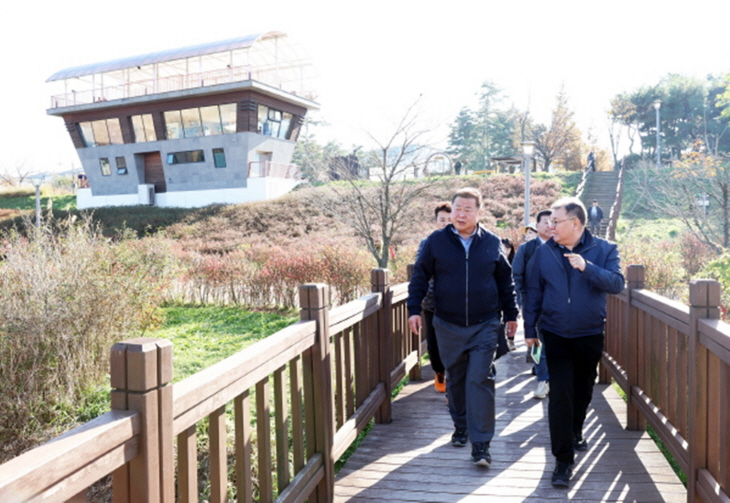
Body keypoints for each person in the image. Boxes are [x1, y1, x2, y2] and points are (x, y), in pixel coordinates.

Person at [407, 187, 518, 468]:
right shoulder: (436, 241)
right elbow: (420, 275)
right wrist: (413, 310)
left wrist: (512, 314)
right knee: (455, 379)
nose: (461, 213)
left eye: (468, 209)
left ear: (479, 212)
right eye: (457, 208)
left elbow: (505, 281)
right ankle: (461, 426)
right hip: (447, 323)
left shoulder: (491, 242)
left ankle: (481, 445)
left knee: (480, 379)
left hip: (484, 323)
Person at [523, 197, 624, 488]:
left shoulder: (604, 249)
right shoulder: (544, 253)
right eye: (550, 221)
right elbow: (533, 291)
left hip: (589, 333)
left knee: (582, 391)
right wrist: (530, 329)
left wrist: (587, 267)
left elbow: (617, 284)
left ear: (576, 223)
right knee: (560, 395)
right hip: (554, 333)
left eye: (556, 221)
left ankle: (576, 431)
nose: (550, 226)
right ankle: (563, 462)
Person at [512, 210, 553, 399]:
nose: (549, 225)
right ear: (537, 226)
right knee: (536, 341)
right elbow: (517, 275)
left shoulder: (563, 247)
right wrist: (521, 300)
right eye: (545, 222)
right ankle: (543, 379)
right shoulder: (527, 249)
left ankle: (552, 377)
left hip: (556, 304)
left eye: (553, 222)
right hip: (532, 302)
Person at [416, 202, 452, 393]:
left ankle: (454, 373)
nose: (446, 223)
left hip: (455, 302)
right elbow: (419, 270)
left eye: (449, 219)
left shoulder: (462, 241)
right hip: (431, 301)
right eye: (442, 219)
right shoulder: (428, 242)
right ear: (436, 221)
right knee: (433, 339)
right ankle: (439, 371)